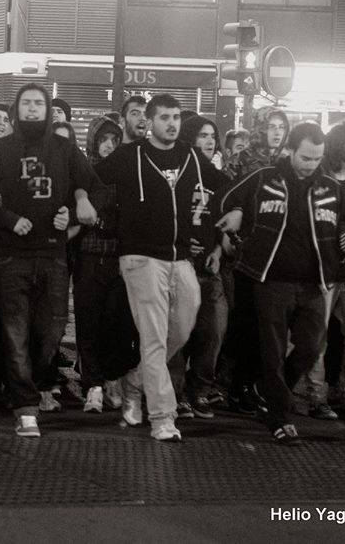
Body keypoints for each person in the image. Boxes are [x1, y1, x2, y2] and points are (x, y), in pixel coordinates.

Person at [94, 94, 225, 441]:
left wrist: (236, 212)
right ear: (149, 121)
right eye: (164, 117)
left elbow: (223, 186)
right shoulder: (129, 155)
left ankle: (134, 382)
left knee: (181, 329)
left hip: (181, 259)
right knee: (153, 337)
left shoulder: (191, 156)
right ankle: (162, 417)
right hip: (140, 258)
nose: (172, 123)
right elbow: (90, 176)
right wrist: (78, 200)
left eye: (176, 117)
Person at [217, 122, 345, 445]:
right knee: (273, 350)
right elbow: (225, 198)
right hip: (271, 279)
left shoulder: (329, 187)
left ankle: (270, 391)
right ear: (291, 151)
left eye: (317, 158)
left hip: (314, 282)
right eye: (306, 157)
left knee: (311, 347)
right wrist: (238, 211)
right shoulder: (264, 178)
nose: (312, 165)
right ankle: (279, 418)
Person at [0, 83, 99, 438]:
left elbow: (97, 189)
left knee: (52, 331)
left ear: (47, 110)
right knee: (15, 335)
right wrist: (10, 219)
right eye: (26, 103)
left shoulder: (64, 148)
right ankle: (25, 407)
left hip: (54, 255)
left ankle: (39, 380)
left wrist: (74, 212)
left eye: (38, 103)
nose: (32, 109)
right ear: (17, 109)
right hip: (11, 256)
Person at [295, 122, 345, 419]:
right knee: (317, 337)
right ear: (341, 145)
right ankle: (315, 396)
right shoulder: (319, 178)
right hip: (324, 270)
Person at [222, 106, 288, 415]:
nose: (276, 131)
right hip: (243, 252)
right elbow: (227, 199)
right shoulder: (241, 162)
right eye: (271, 125)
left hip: (276, 254)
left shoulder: (285, 165)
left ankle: (252, 384)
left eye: (281, 126)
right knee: (245, 323)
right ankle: (236, 385)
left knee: (269, 328)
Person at [168, 114, 228, 420]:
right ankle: (176, 394)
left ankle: (199, 389)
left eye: (212, 136)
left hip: (209, 266)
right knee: (179, 331)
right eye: (202, 135)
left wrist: (218, 249)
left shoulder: (220, 178)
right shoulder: (177, 174)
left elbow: (225, 221)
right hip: (180, 263)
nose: (209, 141)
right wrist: (182, 241)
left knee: (213, 329)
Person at [71, 116, 124, 414]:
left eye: (114, 141)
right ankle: (92, 384)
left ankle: (110, 379)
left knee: (114, 324)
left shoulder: (124, 174)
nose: (109, 146)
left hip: (118, 258)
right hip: (89, 257)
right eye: (104, 139)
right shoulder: (84, 173)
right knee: (87, 322)